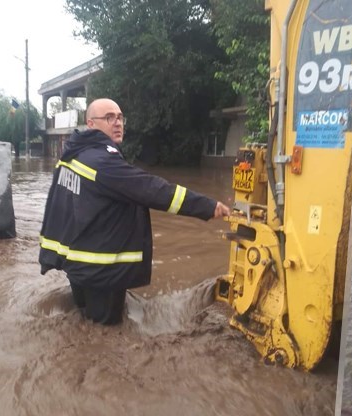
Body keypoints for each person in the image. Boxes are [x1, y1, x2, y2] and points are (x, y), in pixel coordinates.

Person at [38, 98, 230, 325]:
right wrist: (206, 206)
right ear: (91, 124)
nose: (117, 123)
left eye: (120, 117)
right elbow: (153, 190)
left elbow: (61, 210)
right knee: (106, 335)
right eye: (109, 118)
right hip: (102, 270)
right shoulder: (102, 161)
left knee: (85, 324)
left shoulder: (71, 157)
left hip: (78, 265)